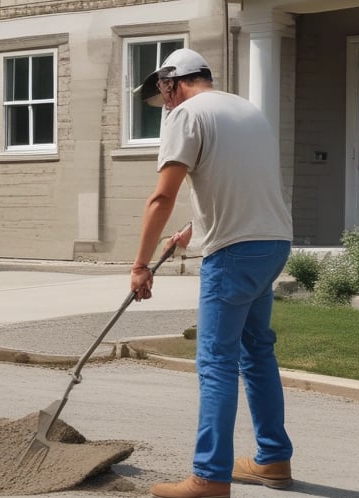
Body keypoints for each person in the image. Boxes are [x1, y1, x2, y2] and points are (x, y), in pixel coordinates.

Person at [131, 48, 295, 498]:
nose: (163, 101)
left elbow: (161, 197)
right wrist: (194, 228)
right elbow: (241, 182)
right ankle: (273, 460)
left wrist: (141, 265)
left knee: (216, 364)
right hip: (273, 243)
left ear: (173, 82)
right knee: (257, 353)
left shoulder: (186, 115)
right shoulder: (245, 109)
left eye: (163, 91)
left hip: (234, 254)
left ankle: (208, 478)